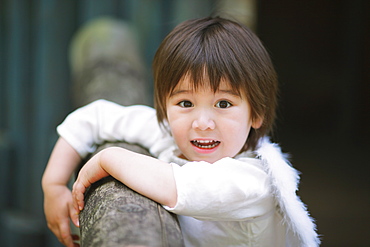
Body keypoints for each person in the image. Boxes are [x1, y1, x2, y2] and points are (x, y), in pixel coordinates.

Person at [42, 16, 320, 247]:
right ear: (164, 105)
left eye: (223, 103)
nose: (201, 122)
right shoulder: (169, 133)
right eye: (185, 102)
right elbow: (96, 116)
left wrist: (108, 158)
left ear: (256, 112)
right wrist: (53, 184)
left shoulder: (254, 183)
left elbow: (179, 186)